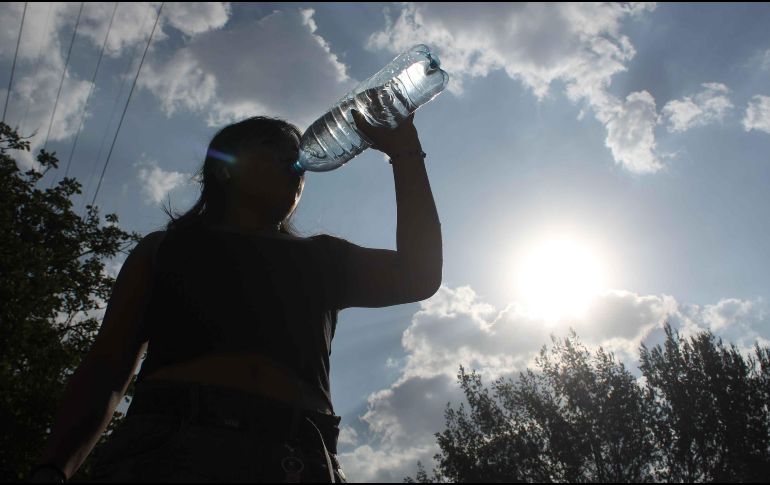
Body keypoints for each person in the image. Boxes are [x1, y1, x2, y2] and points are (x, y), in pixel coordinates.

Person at [27, 109, 442, 482]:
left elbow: (418, 275)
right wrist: (53, 467)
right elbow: (108, 367)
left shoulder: (323, 257)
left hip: (297, 454)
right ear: (224, 168)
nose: (294, 164)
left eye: (296, 157)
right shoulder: (165, 249)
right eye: (271, 149)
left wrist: (405, 151)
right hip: (167, 448)